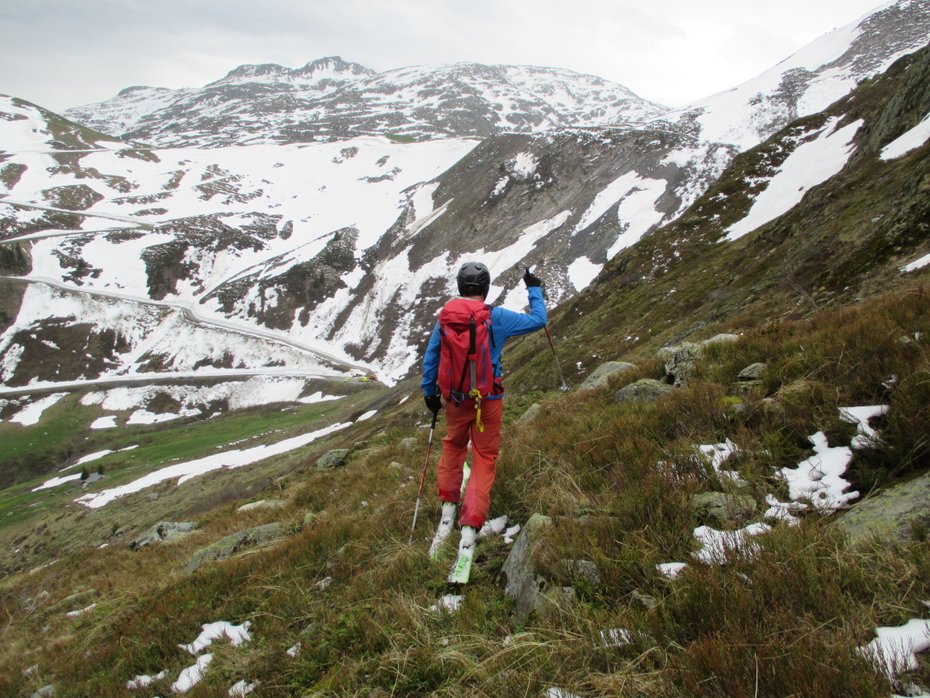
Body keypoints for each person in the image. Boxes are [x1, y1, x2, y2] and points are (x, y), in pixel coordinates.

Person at [421, 261, 547, 561]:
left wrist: (430, 392)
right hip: (487, 402)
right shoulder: (496, 317)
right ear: (486, 288)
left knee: (453, 448)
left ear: (460, 287)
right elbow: (539, 320)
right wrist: (534, 289)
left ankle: (448, 515)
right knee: (484, 458)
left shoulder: (447, 317)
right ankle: (469, 528)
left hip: (454, 401)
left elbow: (432, 356)